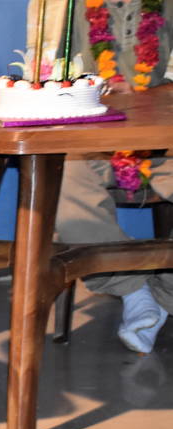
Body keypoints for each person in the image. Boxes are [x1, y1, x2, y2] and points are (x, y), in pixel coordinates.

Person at [55, 0, 173, 354]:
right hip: (96, 139)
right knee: (60, 184)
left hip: (165, 141)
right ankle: (133, 292)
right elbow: (57, 74)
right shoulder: (72, 6)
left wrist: (146, 96)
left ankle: (164, 295)